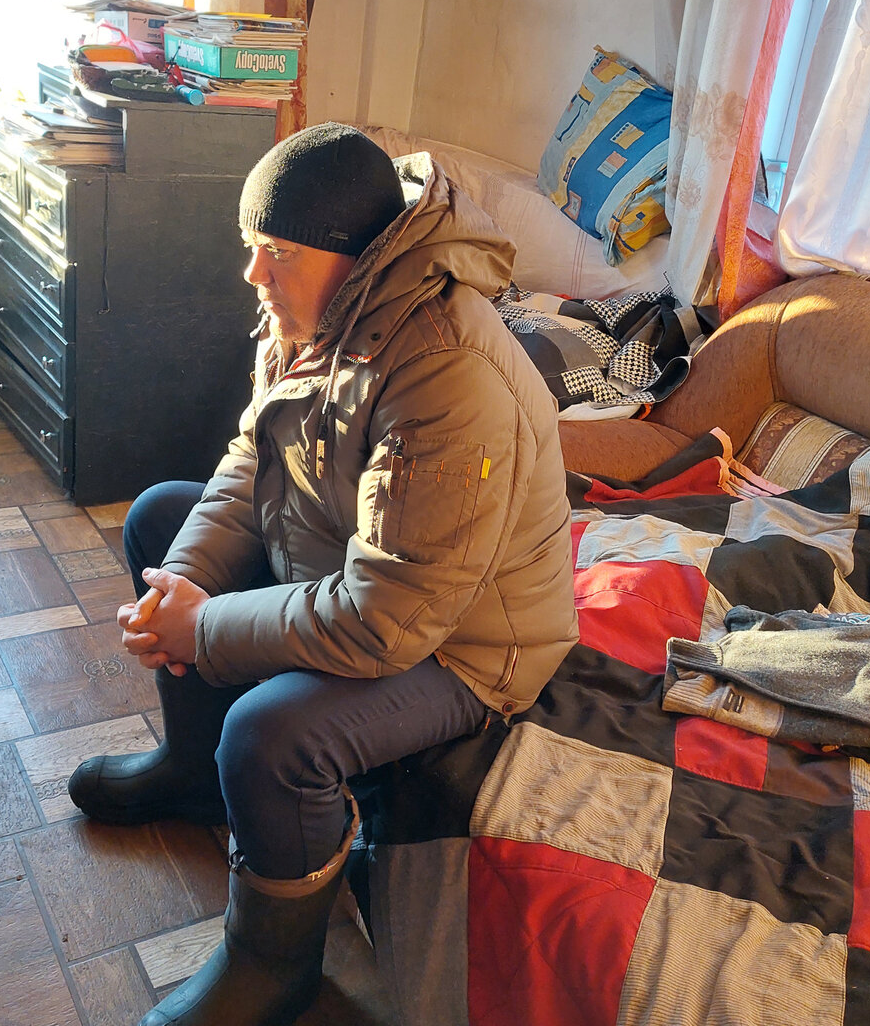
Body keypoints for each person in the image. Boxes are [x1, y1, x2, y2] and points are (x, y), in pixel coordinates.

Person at [68, 123, 577, 1026]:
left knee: (272, 736)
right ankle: (193, 772)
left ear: (350, 257)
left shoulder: (449, 374)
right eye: (251, 252)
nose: (252, 278)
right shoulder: (319, 309)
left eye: (276, 257)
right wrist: (179, 583)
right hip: (360, 561)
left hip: (467, 643)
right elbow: (248, 459)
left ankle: (275, 963)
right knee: (160, 517)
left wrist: (204, 630)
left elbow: (386, 619)